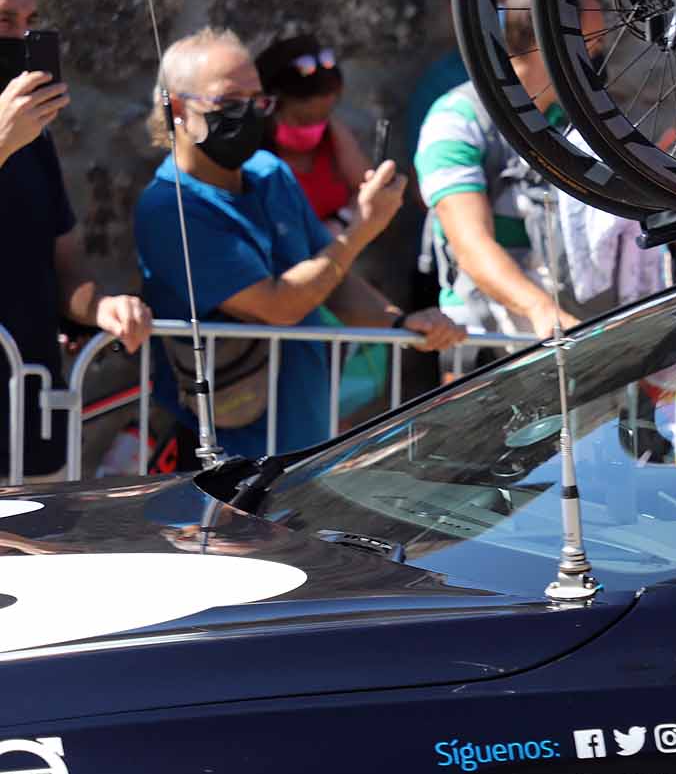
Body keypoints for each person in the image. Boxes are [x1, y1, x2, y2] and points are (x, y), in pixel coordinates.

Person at [134, 28, 466, 461]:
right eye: (233, 100)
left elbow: (335, 280)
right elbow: (279, 307)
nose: (252, 113)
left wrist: (401, 324)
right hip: (226, 453)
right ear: (178, 108)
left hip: (305, 436)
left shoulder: (270, 173)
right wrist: (359, 231)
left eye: (259, 100)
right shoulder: (169, 208)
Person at [414, 0, 668, 368]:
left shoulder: (575, 119)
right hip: (494, 351)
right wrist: (540, 310)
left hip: (577, 346)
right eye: (594, 35)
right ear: (555, 33)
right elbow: (470, 244)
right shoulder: (456, 119)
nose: (603, 43)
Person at [0, 0, 153, 480]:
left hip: (33, 423)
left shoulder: (34, 138)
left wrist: (103, 307)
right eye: (5, 20)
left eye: (31, 23)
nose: (21, 37)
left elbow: (64, 267)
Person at [255, 35, 369, 233]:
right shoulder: (251, 162)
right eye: (304, 120)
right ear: (267, 106)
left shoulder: (333, 137)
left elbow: (367, 188)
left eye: (324, 116)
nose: (315, 126)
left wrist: (341, 220)